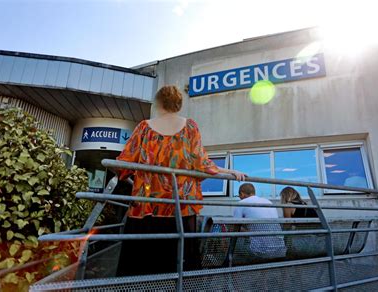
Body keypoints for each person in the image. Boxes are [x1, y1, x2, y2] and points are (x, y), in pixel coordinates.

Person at [115, 85, 245, 276]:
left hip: (148, 207)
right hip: (180, 207)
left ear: (159, 103)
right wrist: (229, 171)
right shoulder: (190, 127)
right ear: (179, 104)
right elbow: (202, 163)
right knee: (181, 263)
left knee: (140, 267)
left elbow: (123, 163)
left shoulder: (144, 127)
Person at [233, 183, 286, 259]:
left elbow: (235, 228)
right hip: (280, 250)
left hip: (259, 252)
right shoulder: (268, 202)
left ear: (242, 194)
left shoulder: (241, 203)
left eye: (239, 196)